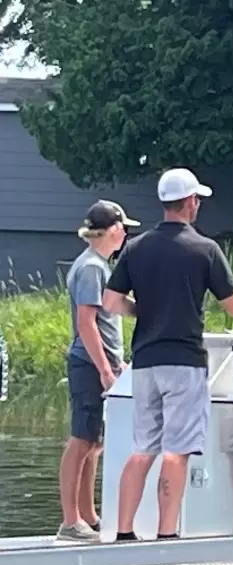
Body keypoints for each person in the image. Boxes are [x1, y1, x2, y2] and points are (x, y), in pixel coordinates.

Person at [103, 168, 233, 541]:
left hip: (146, 362)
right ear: (190, 202)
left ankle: (122, 533)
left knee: (141, 449)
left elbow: (111, 301)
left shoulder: (136, 248)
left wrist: (143, 312)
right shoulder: (205, 249)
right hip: (184, 362)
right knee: (176, 451)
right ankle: (167, 535)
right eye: (197, 199)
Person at [57, 200, 139, 542]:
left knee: (95, 441)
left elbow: (116, 307)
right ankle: (69, 521)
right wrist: (105, 369)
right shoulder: (92, 268)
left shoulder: (98, 266)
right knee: (81, 439)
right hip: (89, 365)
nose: (126, 235)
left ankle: (87, 515)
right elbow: (87, 323)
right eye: (124, 229)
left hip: (100, 363)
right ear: (114, 230)